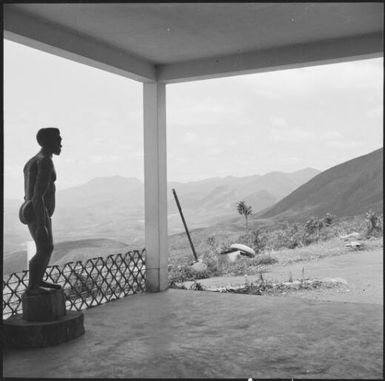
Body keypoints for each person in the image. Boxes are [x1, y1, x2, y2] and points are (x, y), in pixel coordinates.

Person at [19, 128, 62, 295]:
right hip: (38, 211)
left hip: (31, 210)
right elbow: (38, 196)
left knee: (44, 248)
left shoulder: (31, 161)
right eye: (57, 139)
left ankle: (38, 280)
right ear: (48, 142)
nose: (61, 142)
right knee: (45, 247)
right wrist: (42, 224)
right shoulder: (45, 161)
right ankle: (33, 286)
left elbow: (28, 193)